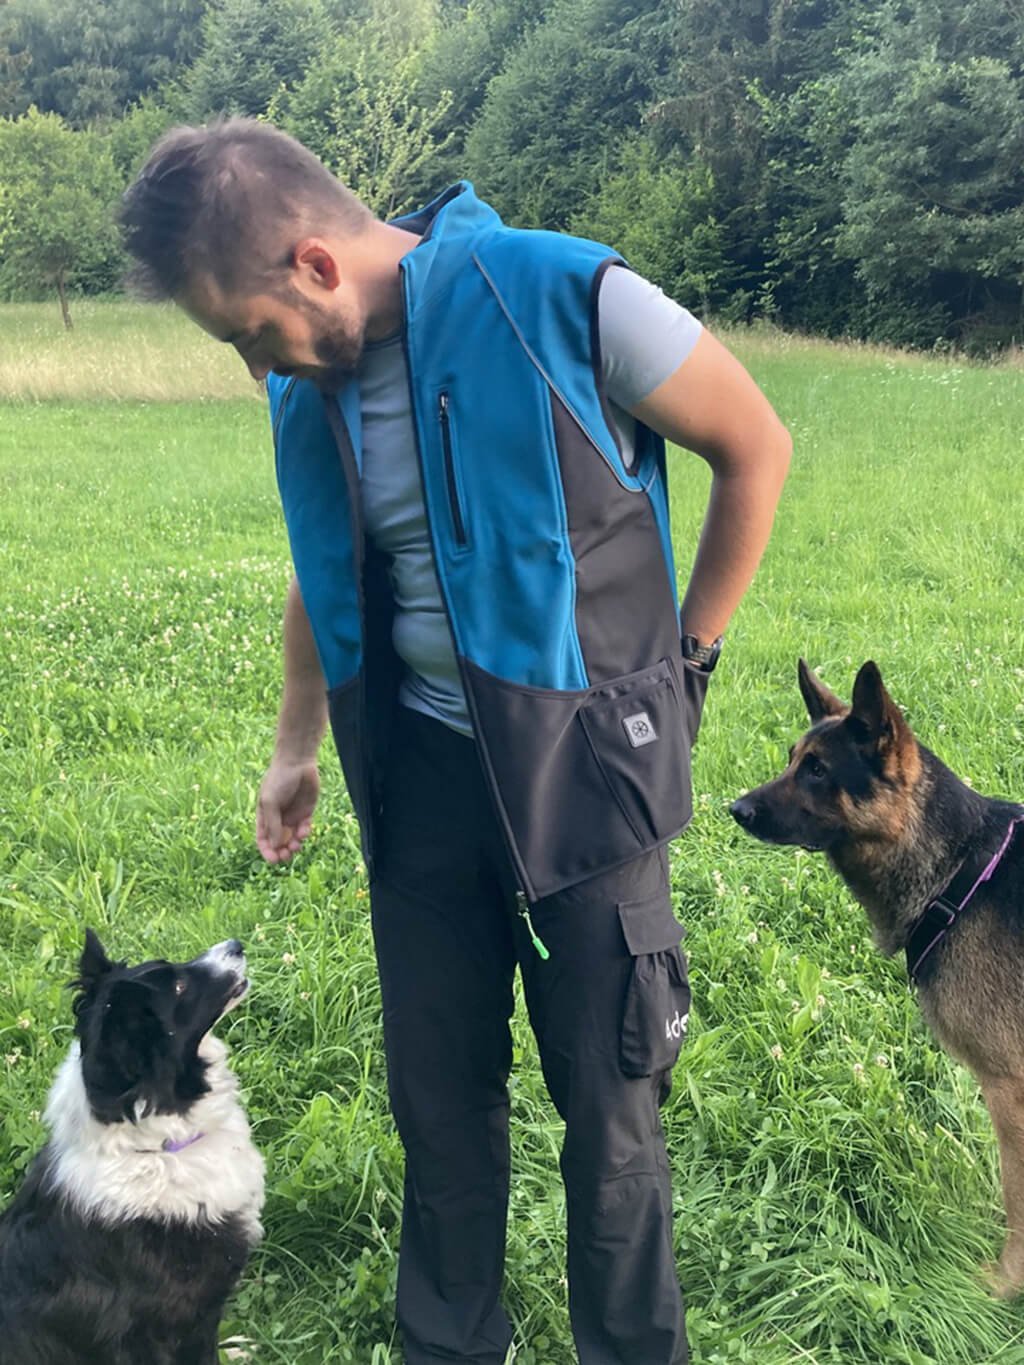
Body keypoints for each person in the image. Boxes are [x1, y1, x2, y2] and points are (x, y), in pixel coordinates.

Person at [121, 116, 791, 1365]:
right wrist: (294, 746)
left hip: (585, 786)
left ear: (315, 266)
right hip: (418, 787)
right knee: (438, 1104)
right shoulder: (307, 391)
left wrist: (685, 665)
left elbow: (755, 447)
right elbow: (323, 562)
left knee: (611, 1114)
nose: (252, 366)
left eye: (246, 333)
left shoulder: (560, 294)